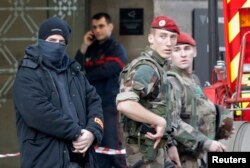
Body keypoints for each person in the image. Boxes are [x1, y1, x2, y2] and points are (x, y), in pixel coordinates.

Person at [12, 16, 104, 168]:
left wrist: (92, 132)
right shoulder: (28, 73)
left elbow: (94, 101)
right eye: (52, 40)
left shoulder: (74, 70)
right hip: (45, 159)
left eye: (62, 42)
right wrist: (76, 132)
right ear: (41, 40)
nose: (57, 45)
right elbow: (38, 113)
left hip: (81, 160)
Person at [116, 15, 183, 168]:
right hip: (144, 157)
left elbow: (158, 108)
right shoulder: (147, 68)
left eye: (173, 37)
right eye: (163, 36)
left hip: (157, 154)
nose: (168, 42)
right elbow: (125, 104)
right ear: (151, 38)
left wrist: (171, 146)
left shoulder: (160, 68)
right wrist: (159, 121)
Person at [168, 32, 234, 167]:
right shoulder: (172, 82)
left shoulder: (193, 80)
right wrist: (206, 143)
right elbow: (174, 123)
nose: (183, 54)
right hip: (181, 158)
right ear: (170, 55)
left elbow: (198, 113)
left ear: (195, 52)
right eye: (177, 50)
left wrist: (221, 124)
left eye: (187, 48)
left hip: (197, 155)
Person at [75, 12, 127, 168]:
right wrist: (84, 45)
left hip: (109, 105)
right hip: (89, 106)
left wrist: (86, 74)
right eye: (94, 27)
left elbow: (107, 70)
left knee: (111, 146)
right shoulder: (90, 49)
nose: (97, 30)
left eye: (101, 26)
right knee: (95, 149)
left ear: (110, 27)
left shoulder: (117, 49)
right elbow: (76, 67)